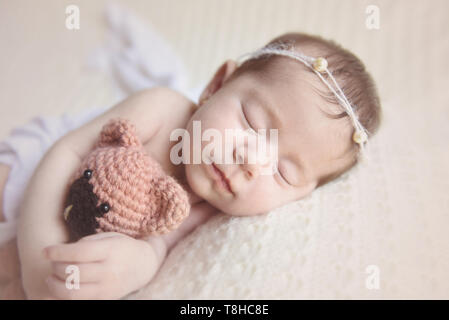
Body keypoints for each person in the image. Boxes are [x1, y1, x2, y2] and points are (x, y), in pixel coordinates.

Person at [0, 32, 381, 299]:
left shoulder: (213, 210)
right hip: (35, 172)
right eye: (251, 122)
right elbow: (64, 154)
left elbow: (157, 245)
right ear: (216, 86)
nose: (251, 162)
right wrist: (36, 264)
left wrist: (138, 264)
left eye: (284, 172)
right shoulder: (163, 110)